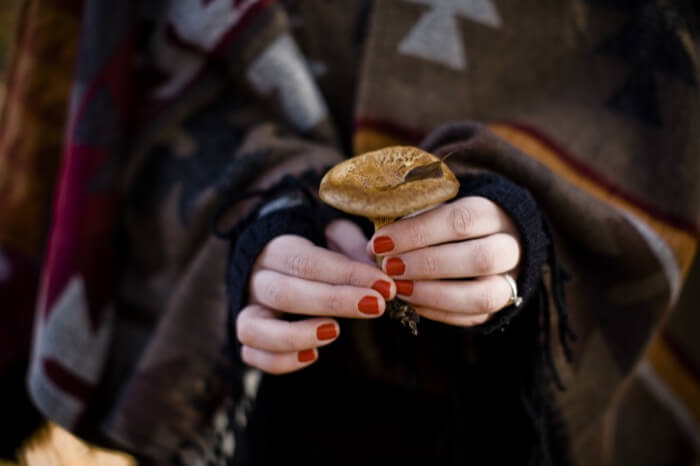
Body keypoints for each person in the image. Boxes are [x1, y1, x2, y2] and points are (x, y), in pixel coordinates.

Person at [1, 0, 698, 465]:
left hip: (532, 413)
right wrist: (262, 212)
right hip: (286, 404)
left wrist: (539, 217)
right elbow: (155, 45)